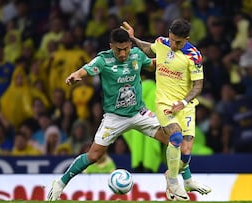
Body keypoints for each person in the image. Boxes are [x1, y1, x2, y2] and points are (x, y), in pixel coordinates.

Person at [47, 28, 175, 201]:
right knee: (94, 155)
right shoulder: (103, 59)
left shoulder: (136, 54)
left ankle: (177, 183)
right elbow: (86, 69)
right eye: (118, 50)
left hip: (139, 113)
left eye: (126, 49)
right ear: (111, 46)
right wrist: (76, 75)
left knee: (174, 141)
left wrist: (173, 61)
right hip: (114, 118)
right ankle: (60, 184)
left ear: (130, 45)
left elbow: (152, 65)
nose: (122, 54)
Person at [121, 19, 211, 200]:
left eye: (178, 42)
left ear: (187, 39)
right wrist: (133, 39)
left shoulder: (194, 56)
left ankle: (181, 177)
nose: (173, 44)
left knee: (185, 153)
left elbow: (198, 86)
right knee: (175, 137)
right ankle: (173, 180)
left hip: (185, 106)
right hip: (164, 104)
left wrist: (184, 103)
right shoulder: (162, 43)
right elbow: (148, 48)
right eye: (171, 39)